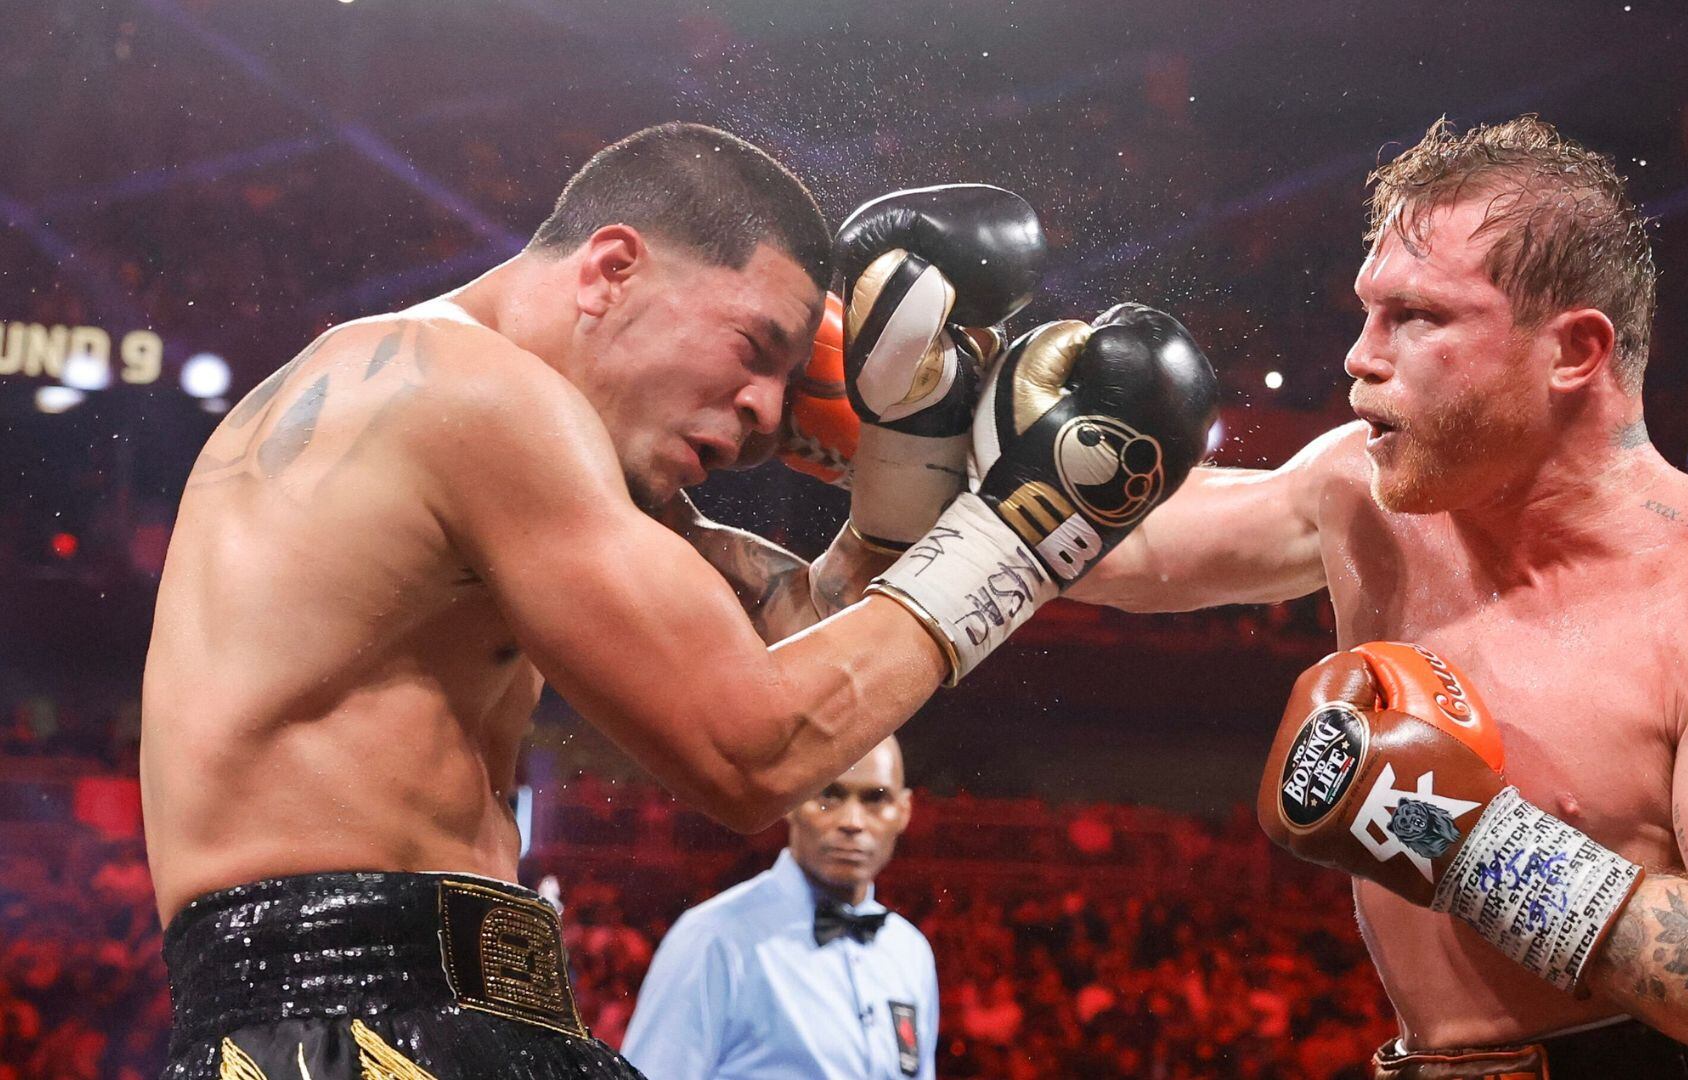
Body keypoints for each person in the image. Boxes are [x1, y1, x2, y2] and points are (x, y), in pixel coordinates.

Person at [141, 121, 1217, 1078]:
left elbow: (805, 663)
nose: (765, 419)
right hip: (339, 1024)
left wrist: (910, 472)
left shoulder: (500, 433)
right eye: (755, 351)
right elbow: (754, 750)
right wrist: (1024, 530)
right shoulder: (468, 393)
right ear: (612, 269)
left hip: (442, 1011)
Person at [1077, 115, 1688, 1079]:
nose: (1359, 356)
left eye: (1416, 317)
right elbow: (1120, 545)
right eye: (1368, 310)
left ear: (1574, 351)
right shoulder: (1366, 495)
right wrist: (940, 423)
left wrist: (1469, 843)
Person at [620, 736, 936, 1079]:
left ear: (904, 811)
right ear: (789, 801)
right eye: (829, 794)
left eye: (875, 798)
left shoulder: (910, 952)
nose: (852, 821)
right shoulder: (713, 937)